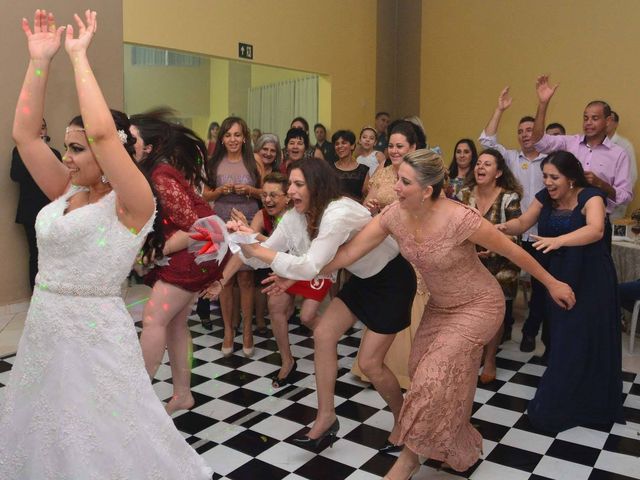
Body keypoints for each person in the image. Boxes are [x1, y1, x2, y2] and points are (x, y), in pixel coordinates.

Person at [0, 10, 212, 478]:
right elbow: (23, 135)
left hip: (94, 333)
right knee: (47, 422)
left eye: (78, 149)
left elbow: (101, 132)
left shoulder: (133, 202)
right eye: (68, 148)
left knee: (104, 431)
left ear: (109, 153)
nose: (68, 157)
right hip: (45, 326)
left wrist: (78, 58)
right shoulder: (65, 189)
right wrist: (38, 62)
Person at [324, 149, 575, 478]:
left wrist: (552, 282)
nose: (395, 187)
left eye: (404, 182)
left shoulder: (459, 218)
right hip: (440, 308)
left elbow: (512, 250)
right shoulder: (394, 215)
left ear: (427, 190)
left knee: (433, 380)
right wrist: (297, 269)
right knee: (427, 374)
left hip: (479, 305)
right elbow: (349, 253)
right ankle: (460, 447)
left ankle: (409, 460)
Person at [234, 157, 416, 452]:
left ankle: (403, 419)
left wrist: (259, 250)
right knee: (323, 334)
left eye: (297, 184)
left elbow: (309, 267)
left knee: (370, 363)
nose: (290, 191)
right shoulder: (297, 214)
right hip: (362, 280)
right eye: (289, 184)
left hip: (392, 282)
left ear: (316, 186)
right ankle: (326, 416)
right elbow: (263, 253)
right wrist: (239, 238)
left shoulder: (338, 212)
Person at [497, 150, 623, 433]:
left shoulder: (591, 196)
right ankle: (563, 399)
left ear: (571, 178)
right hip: (559, 277)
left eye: (554, 177)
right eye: (545, 176)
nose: (549, 182)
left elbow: (595, 230)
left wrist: (559, 240)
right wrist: (502, 227)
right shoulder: (544, 198)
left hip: (591, 278)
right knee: (563, 337)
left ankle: (590, 402)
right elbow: (522, 223)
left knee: (586, 336)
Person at [354, 120, 425, 396]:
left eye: (400, 146)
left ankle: (411, 370)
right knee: (386, 298)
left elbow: (423, 211)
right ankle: (377, 366)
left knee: (410, 299)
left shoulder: (421, 177)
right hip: (383, 246)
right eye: (392, 146)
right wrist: (370, 208)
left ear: (413, 148)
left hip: (411, 244)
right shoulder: (382, 175)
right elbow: (365, 207)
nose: (394, 151)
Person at [479, 86, 548, 351]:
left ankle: (531, 331)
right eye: (520, 131)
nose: (524, 135)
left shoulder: (549, 159)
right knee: (505, 281)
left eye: (529, 130)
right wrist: (500, 109)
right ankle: (504, 328)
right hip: (512, 232)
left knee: (540, 285)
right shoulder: (509, 157)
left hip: (541, 233)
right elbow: (486, 141)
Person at [532, 75, 633, 250]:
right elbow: (539, 142)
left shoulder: (619, 154)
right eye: (585, 118)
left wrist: (602, 185)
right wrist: (543, 104)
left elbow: (625, 196)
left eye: (595, 118)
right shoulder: (569, 143)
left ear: (608, 121)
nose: (588, 123)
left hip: (597, 225)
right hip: (564, 220)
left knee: (592, 274)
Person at [457, 149, 523, 383]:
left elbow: (517, 234)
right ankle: (472, 351)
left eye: (487, 164)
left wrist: (494, 247)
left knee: (494, 308)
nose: (480, 168)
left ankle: (491, 357)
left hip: (501, 262)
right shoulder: (463, 194)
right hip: (469, 260)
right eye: (478, 164)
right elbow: (455, 227)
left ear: (499, 172)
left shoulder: (508, 197)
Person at [202, 117, 262, 357]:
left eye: (237, 135)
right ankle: (228, 330)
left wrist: (250, 190)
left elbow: (266, 193)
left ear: (244, 137)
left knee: (246, 281)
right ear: (222, 139)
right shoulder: (214, 162)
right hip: (222, 226)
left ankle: (247, 330)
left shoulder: (254, 161)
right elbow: (205, 195)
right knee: (224, 281)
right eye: (228, 135)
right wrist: (219, 191)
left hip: (247, 223)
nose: (233, 139)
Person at [10, 117, 61, 289]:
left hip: (53, 210)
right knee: (36, 255)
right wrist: (31, 150)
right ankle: (36, 297)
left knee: (55, 254)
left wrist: (44, 151)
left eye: (43, 127)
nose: (40, 131)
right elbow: (15, 176)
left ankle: (55, 293)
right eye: (36, 127)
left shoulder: (54, 153)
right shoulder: (19, 151)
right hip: (31, 212)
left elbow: (62, 181)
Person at [607, 110, 637, 220]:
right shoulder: (594, 143)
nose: (606, 122)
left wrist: (618, 198)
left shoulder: (624, 145)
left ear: (616, 124)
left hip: (615, 204)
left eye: (610, 119)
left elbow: (632, 175)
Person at [331, 129, 370, 202]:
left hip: (357, 211)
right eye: (337, 144)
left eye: (344, 143)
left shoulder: (363, 170)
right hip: (335, 211)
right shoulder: (329, 169)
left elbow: (366, 196)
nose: (340, 146)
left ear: (352, 146)